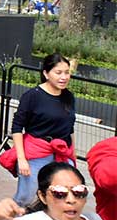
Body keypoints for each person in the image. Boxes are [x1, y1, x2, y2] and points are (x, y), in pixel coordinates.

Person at [5, 53, 77, 206]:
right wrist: (22, 159)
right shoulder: (32, 96)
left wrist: (73, 157)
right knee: (26, 198)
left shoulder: (68, 97)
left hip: (62, 153)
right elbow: (17, 127)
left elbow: (70, 129)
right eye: (58, 72)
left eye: (67, 72)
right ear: (46, 73)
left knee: (62, 197)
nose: (63, 77)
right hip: (36, 154)